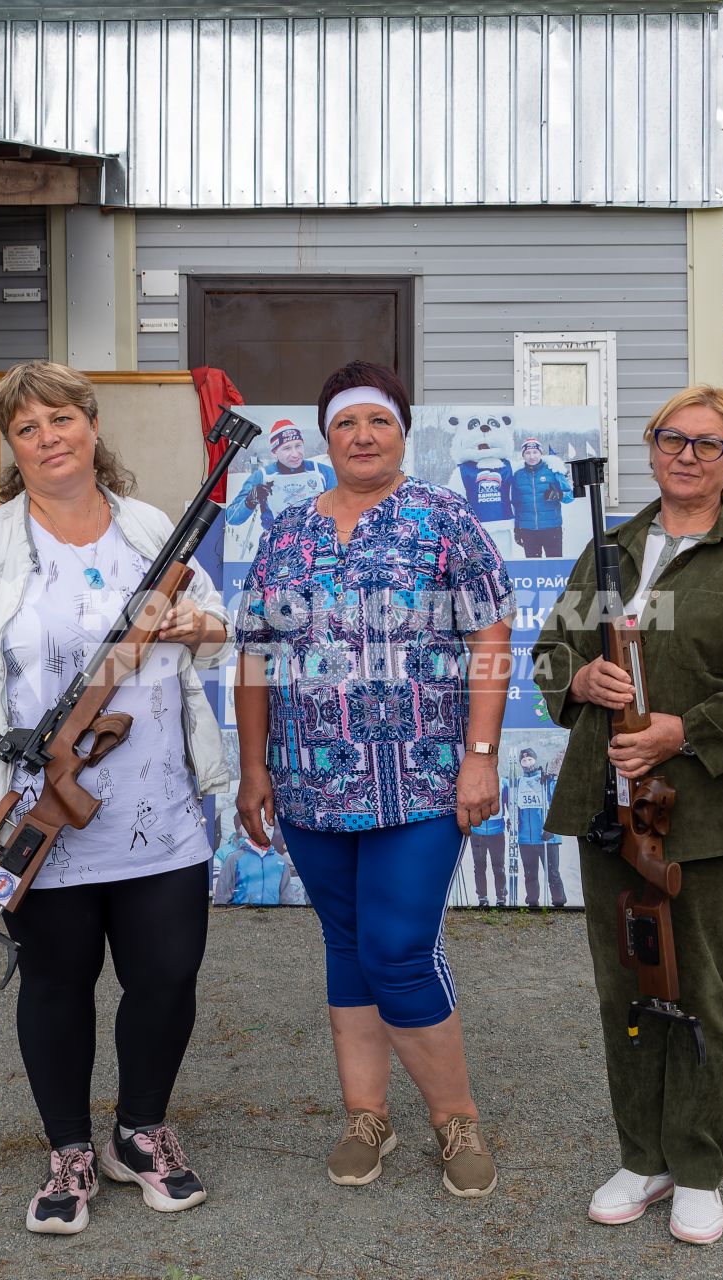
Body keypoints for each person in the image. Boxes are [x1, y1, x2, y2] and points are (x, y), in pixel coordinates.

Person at [0, 361, 232, 1236]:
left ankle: (141, 1132)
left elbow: (213, 629)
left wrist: (189, 624)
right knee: (57, 981)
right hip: (37, 808)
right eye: (27, 428)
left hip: (159, 804)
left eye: (60, 419)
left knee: (166, 977)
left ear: (91, 426)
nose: (48, 438)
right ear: (12, 447)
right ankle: (67, 1151)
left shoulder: (150, 529)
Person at [532, 384, 723, 1247]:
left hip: (714, 812)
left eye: (709, 444)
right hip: (610, 806)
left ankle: (697, 1167)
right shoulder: (611, 548)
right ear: (652, 448)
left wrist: (683, 731)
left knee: (701, 990)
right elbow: (555, 649)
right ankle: (642, 1155)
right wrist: (579, 680)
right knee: (627, 985)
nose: (687, 456)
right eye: (672, 439)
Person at [234, 359, 515, 1199]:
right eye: (347, 424)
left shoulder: (444, 520)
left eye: (379, 423)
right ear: (327, 438)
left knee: (398, 950)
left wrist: (481, 753)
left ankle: (454, 1119)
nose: (362, 437)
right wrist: (254, 768)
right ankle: (367, 1115)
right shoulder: (285, 530)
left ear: (402, 433)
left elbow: (490, 638)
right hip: (310, 781)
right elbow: (254, 653)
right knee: (348, 947)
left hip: (422, 782)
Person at [228, 421, 336, 532]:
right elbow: (231, 518)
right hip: (277, 542)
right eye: (287, 448)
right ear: (274, 452)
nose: (295, 453)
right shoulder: (262, 476)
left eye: (298, 445)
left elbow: (346, 506)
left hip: (316, 540)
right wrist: (249, 501)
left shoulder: (323, 472)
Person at [513, 747, 565, 908]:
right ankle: (532, 902)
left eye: (530, 759)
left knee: (553, 873)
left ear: (535, 760)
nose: (527, 763)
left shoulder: (546, 780)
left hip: (546, 837)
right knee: (530, 873)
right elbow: (514, 807)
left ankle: (559, 902)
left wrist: (552, 827)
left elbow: (558, 805)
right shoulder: (518, 782)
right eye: (524, 760)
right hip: (525, 838)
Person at [509, 438, 574, 557]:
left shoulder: (553, 471)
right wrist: (517, 528)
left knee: (555, 567)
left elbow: (570, 496)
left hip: (552, 528)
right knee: (533, 567)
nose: (532, 456)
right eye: (527, 453)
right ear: (523, 455)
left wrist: (559, 495)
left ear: (541, 453)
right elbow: (516, 504)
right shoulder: (518, 475)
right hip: (528, 530)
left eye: (535, 452)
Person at [466, 779, 511, 907]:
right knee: (479, 867)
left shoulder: (503, 782)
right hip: (477, 832)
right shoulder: (473, 782)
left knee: (498, 867)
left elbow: (510, 803)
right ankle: (482, 897)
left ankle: (501, 897)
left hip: (496, 832)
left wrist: (511, 820)